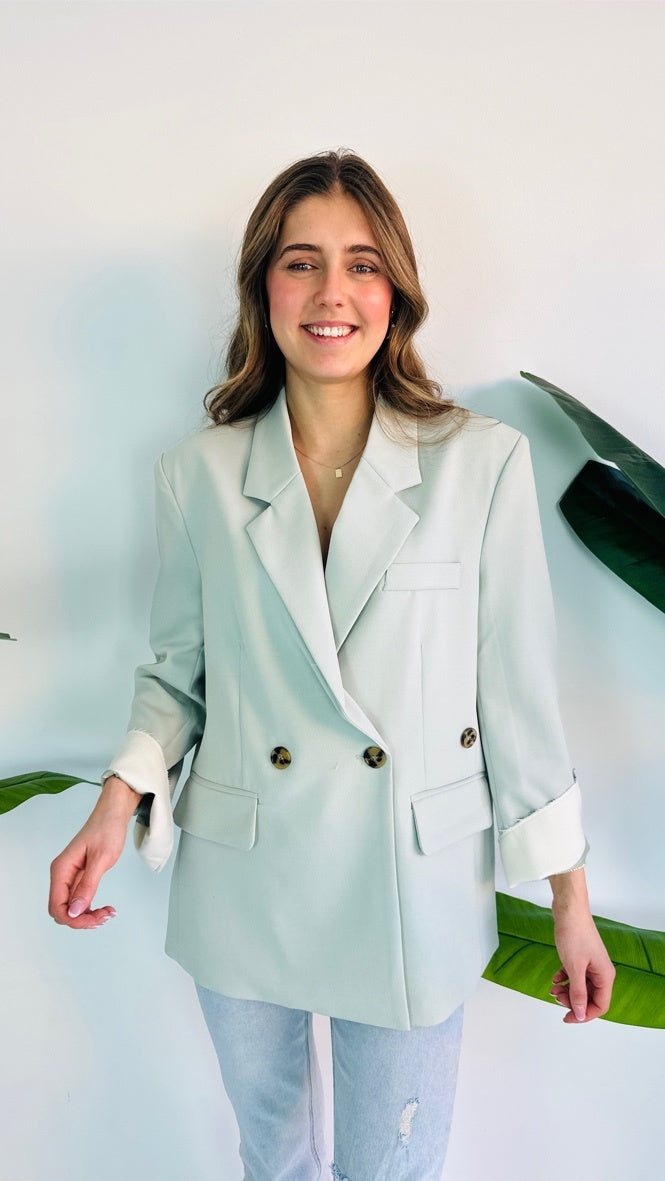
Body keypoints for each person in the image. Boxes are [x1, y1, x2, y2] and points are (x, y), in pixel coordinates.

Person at [49, 148, 615, 1180]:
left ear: (394, 291)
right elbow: (178, 674)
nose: (330, 293)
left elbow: (518, 700)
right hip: (244, 869)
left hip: (410, 879)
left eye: (360, 264)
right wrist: (113, 802)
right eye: (300, 262)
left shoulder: (477, 462)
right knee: (270, 1155)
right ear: (262, 286)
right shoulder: (196, 474)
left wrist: (569, 904)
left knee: (393, 1165)